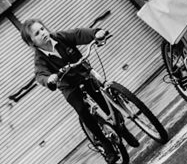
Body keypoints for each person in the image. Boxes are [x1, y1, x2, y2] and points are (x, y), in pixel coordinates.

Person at [21, 18, 121, 146]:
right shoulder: (40, 58)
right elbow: (40, 74)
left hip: (83, 74)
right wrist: (49, 79)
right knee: (82, 110)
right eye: (37, 33)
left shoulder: (60, 37)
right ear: (31, 42)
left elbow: (77, 34)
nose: (42, 33)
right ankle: (105, 143)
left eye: (42, 29)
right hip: (68, 86)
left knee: (102, 98)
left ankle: (123, 130)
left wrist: (95, 33)